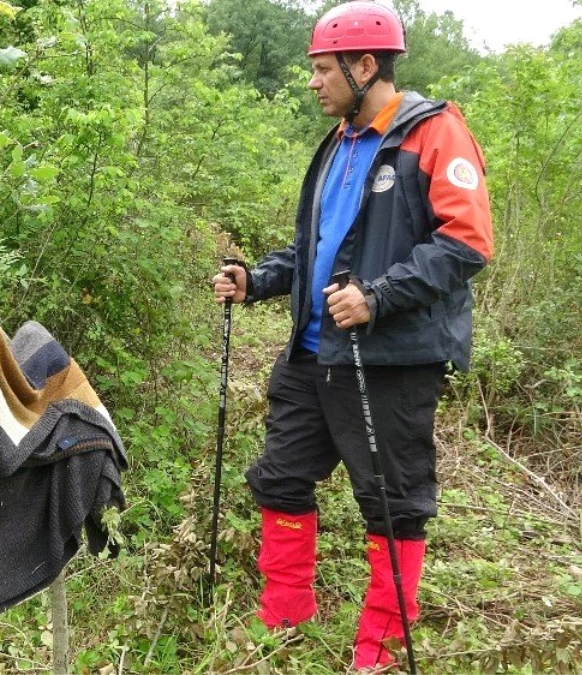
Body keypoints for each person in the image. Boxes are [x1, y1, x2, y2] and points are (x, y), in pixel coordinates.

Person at [211, 1, 493, 670]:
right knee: (279, 477)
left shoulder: (433, 133)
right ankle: (283, 615)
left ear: (364, 65)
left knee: (392, 501)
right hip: (312, 353)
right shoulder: (338, 143)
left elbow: (466, 242)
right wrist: (258, 278)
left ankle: (381, 644)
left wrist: (377, 297)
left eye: (320, 69)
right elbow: (315, 247)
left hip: (390, 357)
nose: (312, 81)